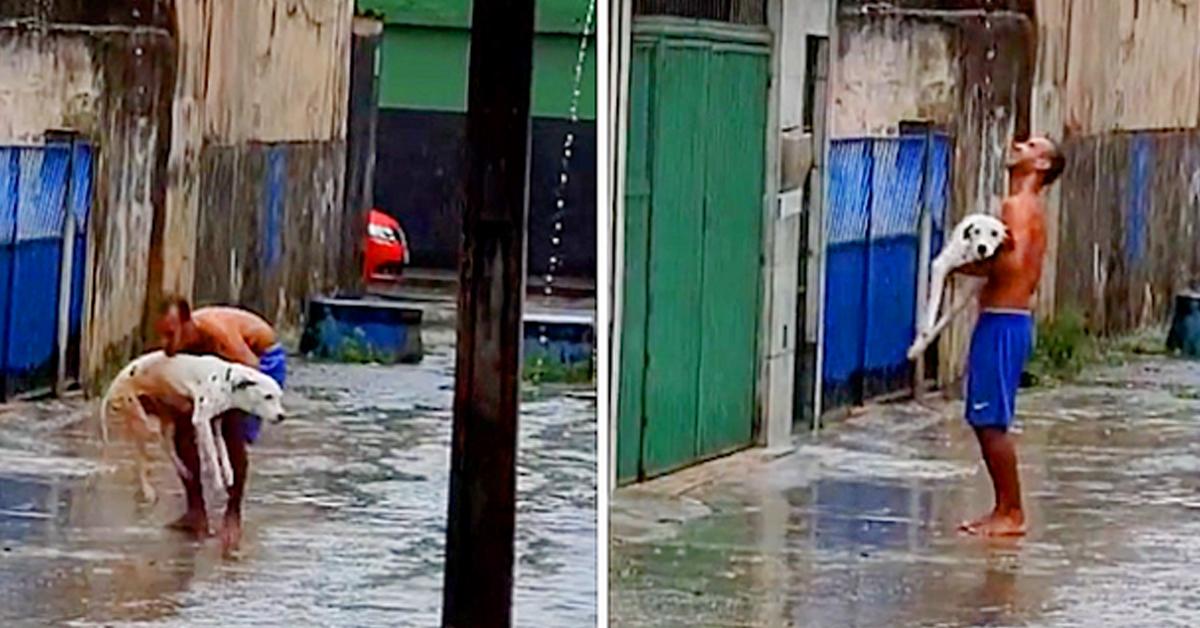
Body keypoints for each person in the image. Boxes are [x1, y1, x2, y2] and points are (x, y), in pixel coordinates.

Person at [953, 135, 1064, 537]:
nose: (1019, 145)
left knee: (990, 420)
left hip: (1003, 321)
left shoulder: (1017, 207)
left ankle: (1011, 512)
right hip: (1006, 320)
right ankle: (1004, 508)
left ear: (1042, 165)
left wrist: (963, 262)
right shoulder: (1029, 209)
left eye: (1031, 145)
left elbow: (1011, 266)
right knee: (986, 418)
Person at [154, 297, 288, 551]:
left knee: (232, 430)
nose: (165, 346)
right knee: (182, 429)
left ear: (188, 324)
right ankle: (196, 511)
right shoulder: (180, 346)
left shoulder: (219, 335)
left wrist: (217, 409)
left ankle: (233, 512)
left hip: (259, 362)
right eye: (161, 336)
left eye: (170, 336)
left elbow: (252, 373)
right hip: (216, 370)